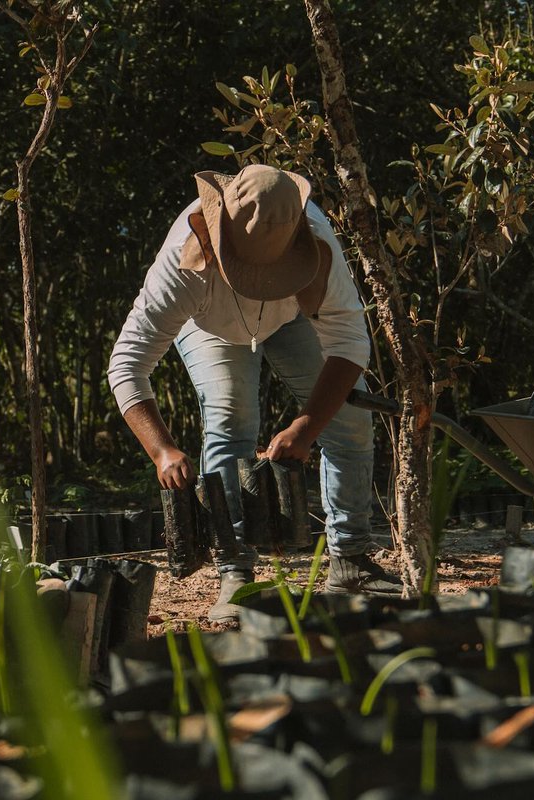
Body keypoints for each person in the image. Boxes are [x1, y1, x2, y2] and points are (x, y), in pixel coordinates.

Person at [107, 163, 401, 623]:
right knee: (231, 418)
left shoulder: (316, 241)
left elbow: (349, 344)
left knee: (349, 418)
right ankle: (236, 573)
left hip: (292, 319)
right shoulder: (184, 259)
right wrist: (161, 450)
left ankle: (349, 560)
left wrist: (305, 428)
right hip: (210, 326)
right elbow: (127, 362)